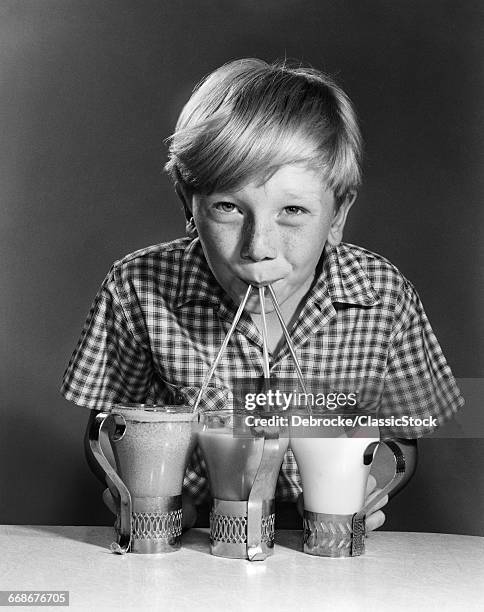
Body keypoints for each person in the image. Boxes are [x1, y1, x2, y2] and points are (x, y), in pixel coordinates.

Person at [61, 58, 463, 531]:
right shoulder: (137, 286)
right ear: (187, 206)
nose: (259, 249)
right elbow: (110, 428)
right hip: (196, 530)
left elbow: (401, 439)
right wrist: (144, 495)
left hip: (317, 530)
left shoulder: (384, 296)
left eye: (293, 211)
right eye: (228, 208)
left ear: (337, 216)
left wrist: (368, 490)